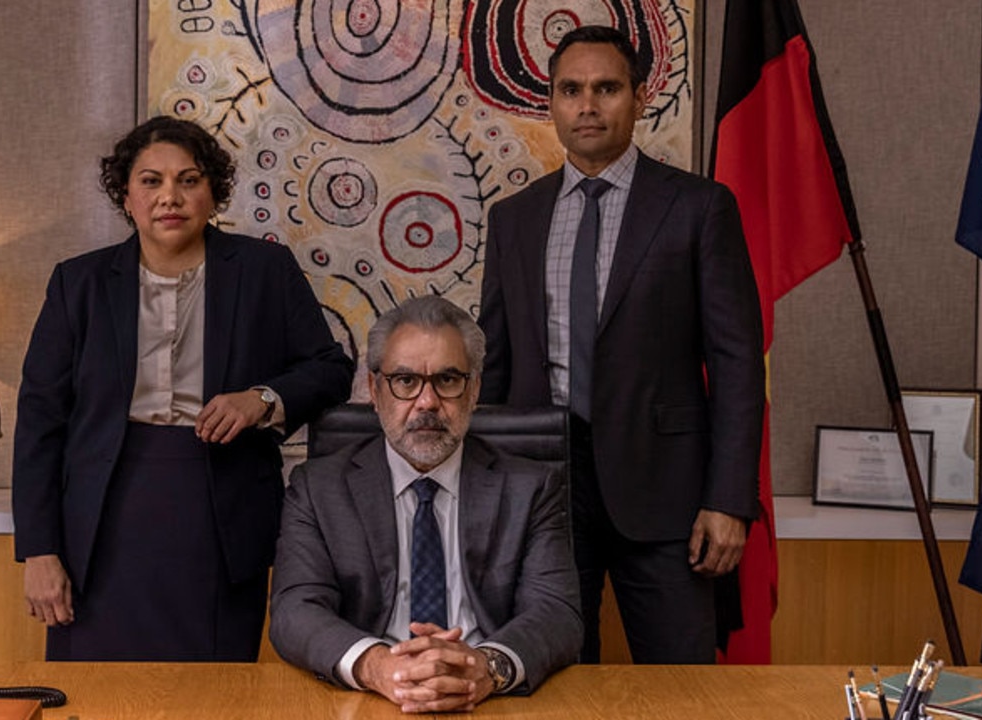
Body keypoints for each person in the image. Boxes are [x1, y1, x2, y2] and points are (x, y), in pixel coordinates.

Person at [12, 116, 354, 661]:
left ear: (212, 193)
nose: (169, 196)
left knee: (215, 689)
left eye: (188, 180)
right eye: (151, 181)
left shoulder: (264, 271)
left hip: (221, 513)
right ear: (126, 196)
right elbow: (39, 424)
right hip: (100, 520)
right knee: (99, 695)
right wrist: (40, 551)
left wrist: (261, 399)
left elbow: (331, 368)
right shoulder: (79, 284)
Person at [477, 25, 765, 664]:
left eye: (606, 88)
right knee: (554, 680)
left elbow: (738, 364)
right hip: (543, 490)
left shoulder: (698, 207)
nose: (587, 105)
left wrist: (728, 500)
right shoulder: (514, 219)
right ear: (549, 103)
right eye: (570, 90)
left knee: (681, 688)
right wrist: (486, 494)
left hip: (668, 499)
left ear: (639, 97)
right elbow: (495, 368)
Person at [269, 295, 581, 712]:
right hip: (369, 699)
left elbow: (556, 612)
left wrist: (487, 666)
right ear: (376, 391)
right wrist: (377, 666)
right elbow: (294, 610)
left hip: (490, 701)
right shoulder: (318, 488)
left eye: (448, 380)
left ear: (474, 391)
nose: (427, 402)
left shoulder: (532, 487)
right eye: (405, 380)